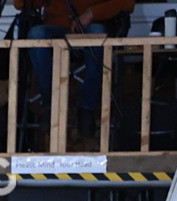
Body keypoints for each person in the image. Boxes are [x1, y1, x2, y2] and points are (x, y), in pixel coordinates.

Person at [15, 0, 135, 139]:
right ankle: (51, 102)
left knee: (97, 34)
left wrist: (91, 13)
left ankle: (87, 107)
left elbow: (127, 3)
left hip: (93, 24)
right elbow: (21, 4)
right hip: (56, 26)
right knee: (36, 34)